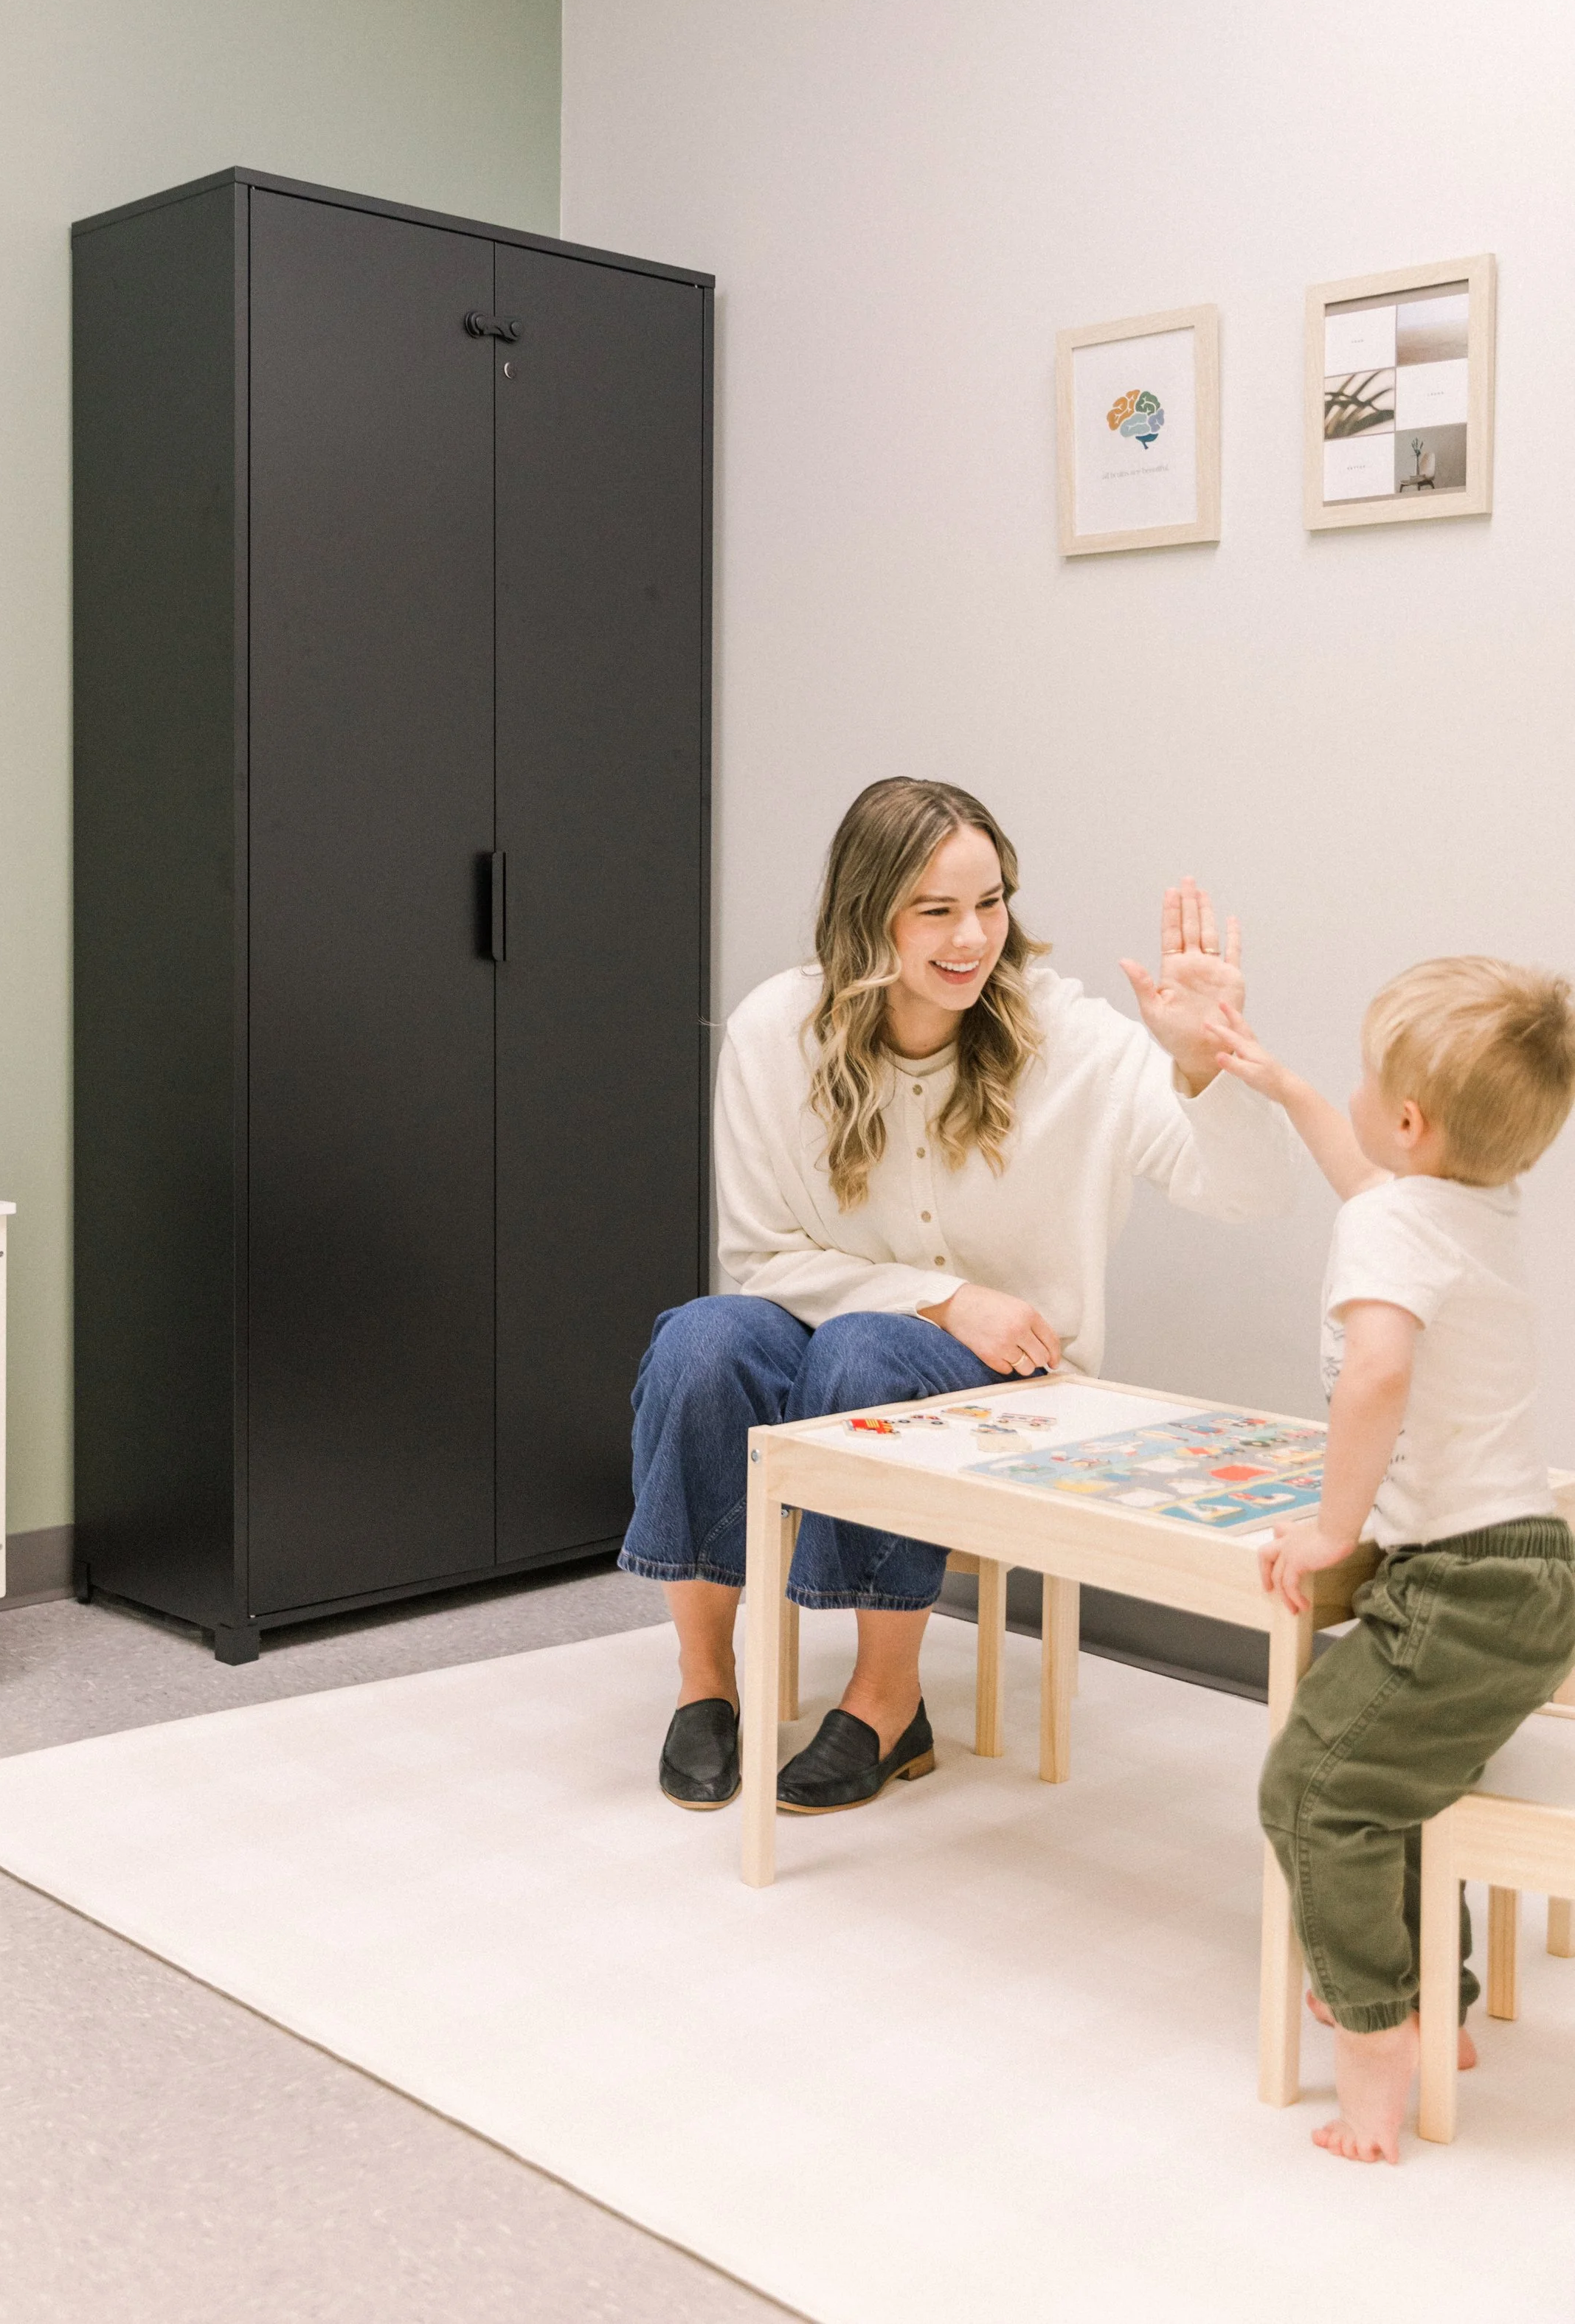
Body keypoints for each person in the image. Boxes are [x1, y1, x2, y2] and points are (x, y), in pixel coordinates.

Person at [620, 774, 1298, 1817]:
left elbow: (1251, 1196)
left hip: (1007, 1374)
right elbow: (759, 1254)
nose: (972, 936)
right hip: (827, 1323)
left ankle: (888, 1700)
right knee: (700, 1342)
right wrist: (945, 1295)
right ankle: (706, 1680)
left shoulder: (1072, 1041)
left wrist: (1210, 1069)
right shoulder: (775, 1030)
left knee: (865, 1354)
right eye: (935, 909)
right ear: (866, 913)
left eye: (990, 903)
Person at [1209, 960, 1575, 2165]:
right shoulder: (1477, 1200)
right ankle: (1446, 2008)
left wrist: (1330, 1528)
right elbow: (1363, 1169)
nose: (1354, 1097)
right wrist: (1285, 1084)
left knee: (1313, 1792)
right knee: (1401, 1781)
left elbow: (1375, 1373)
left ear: (1412, 1120)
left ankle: (1375, 2029)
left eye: (1369, 1079)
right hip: (1533, 1573)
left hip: (1455, 1582)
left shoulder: (1387, 1225)